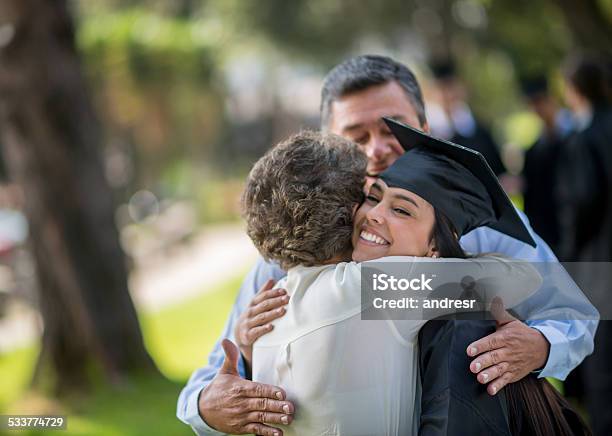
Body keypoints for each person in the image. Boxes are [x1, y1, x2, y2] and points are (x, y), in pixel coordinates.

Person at [177, 55, 598, 436]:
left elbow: (575, 308)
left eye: (394, 127)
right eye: (356, 135)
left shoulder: (487, 229)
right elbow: (218, 372)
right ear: (331, 145)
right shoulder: (294, 253)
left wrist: (541, 346)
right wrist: (206, 405)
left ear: (426, 128)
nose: (376, 149)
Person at [557, 54, 612, 436]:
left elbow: (583, 202)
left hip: (599, 260)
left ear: (574, 90)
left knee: (603, 362)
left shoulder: (584, 138)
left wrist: (568, 251)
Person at [520, 75, 574, 255]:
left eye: (541, 101)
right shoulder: (535, 150)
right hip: (549, 231)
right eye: (533, 104)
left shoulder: (577, 138)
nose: (538, 109)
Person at [427, 59, 506, 177]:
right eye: (442, 88)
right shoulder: (429, 131)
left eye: (450, 86)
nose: (447, 94)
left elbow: (499, 171)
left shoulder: (481, 130)